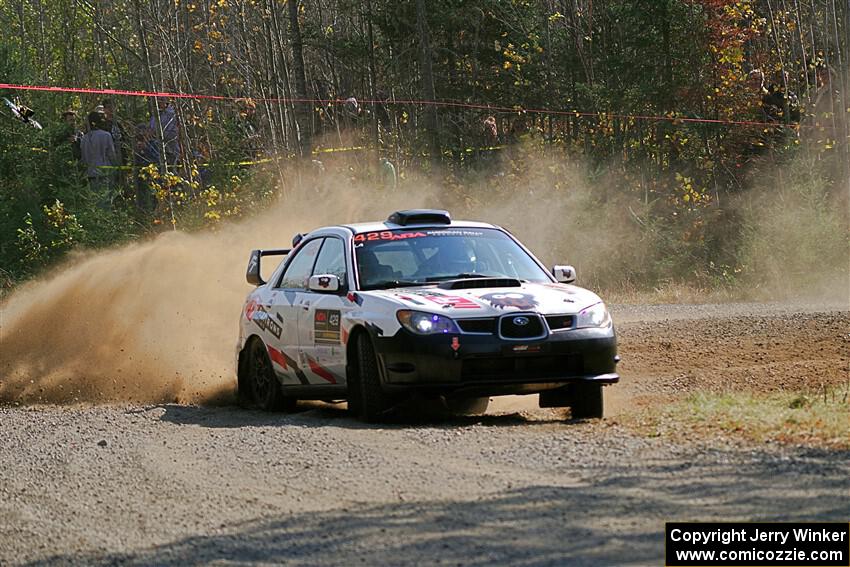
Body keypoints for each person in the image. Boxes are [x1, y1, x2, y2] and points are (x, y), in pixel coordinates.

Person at [80, 111, 117, 208]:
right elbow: (112, 155)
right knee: (106, 201)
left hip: (90, 174)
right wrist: (116, 168)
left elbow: (83, 158)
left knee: (95, 202)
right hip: (105, 174)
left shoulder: (84, 138)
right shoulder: (106, 135)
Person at [149, 98, 180, 166]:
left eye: (159, 101)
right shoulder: (154, 116)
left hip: (171, 152)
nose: (157, 103)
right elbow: (150, 131)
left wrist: (158, 133)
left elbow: (174, 134)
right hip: (156, 154)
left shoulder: (171, 115)